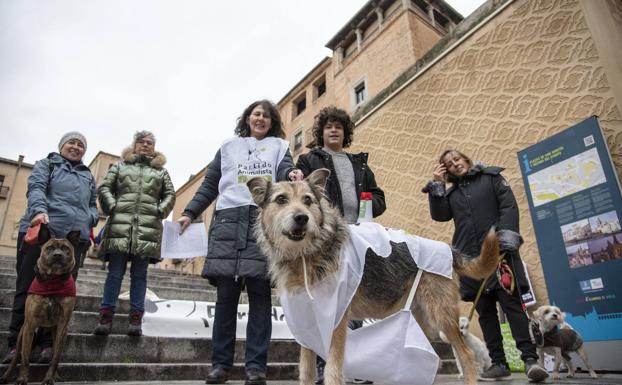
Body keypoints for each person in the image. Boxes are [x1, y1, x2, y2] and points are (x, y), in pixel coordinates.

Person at [177, 100, 303, 385]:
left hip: (262, 222)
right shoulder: (228, 147)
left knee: (260, 297)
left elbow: (285, 172)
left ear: (272, 123)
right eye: (256, 113)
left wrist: (292, 175)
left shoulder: (280, 147)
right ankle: (220, 365)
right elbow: (210, 184)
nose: (261, 118)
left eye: (267, 116)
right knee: (225, 300)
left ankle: (256, 367)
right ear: (248, 118)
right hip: (227, 222)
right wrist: (189, 213)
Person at [422, 149, 548, 382]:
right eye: (449, 164)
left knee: (512, 307)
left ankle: (530, 360)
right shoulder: (452, 194)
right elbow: (440, 216)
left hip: (500, 256)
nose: (455, 164)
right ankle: (499, 363)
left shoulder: (491, 179)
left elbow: (508, 206)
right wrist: (437, 186)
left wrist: (506, 238)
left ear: (466, 160)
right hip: (471, 261)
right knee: (486, 313)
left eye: (457, 159)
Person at [296, 106, 385, 385]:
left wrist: (370, 203)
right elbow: (302, 192)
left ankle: (353, 366)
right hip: (325, 240)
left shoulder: (360, 164)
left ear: (345, 133)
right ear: (321, 133)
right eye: (328, 126)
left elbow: (380, 196)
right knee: (326, 302)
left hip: (357, 236)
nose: (334, 130)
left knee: (353, 301)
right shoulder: (309, 159)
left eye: (339, 126)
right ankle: (327, 366)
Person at [2, 132, 98, 364]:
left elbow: (92, 203)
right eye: (71, 143)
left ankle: (47, 345)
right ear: (61, 145)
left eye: (80, 145)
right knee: (27, 287)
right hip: (42, 232)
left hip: (73, 242)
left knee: (61, 294)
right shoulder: (47, 164)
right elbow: (35, 187)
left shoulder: (87, 176)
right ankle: (17, 343)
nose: (75, 147)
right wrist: (38, 210)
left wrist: (90, 219)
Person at [93, 131, 176, 337]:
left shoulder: (161, 172)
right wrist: (112, 206)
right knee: (115, 274)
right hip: (120, 226)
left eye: (150, 143)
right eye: (142, 142)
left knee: (140, 275)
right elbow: (104, 188)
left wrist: (160, 211)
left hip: (147, 228)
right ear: (134, 145)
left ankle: (136, 319)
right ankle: (105, 316)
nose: (146, 145)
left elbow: (170, 195)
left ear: (154, 147)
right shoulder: (121, 166)